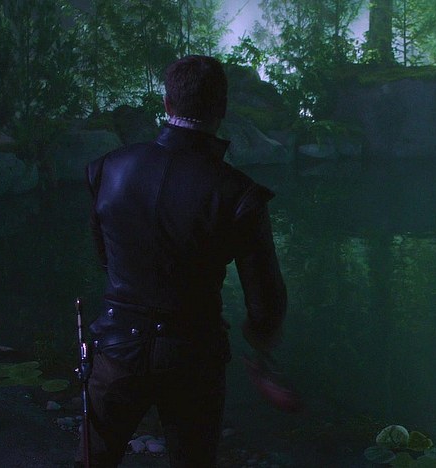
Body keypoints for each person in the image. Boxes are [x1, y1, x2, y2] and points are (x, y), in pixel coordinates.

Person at [81, 55, 287, 467]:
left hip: (117, 348)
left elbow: (106, 259)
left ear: (167, 104)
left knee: (94, 461)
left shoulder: (106, 169)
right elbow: (265, 302)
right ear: (221, 110)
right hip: (193, 357)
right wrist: (260, 345)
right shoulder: (239, 194)